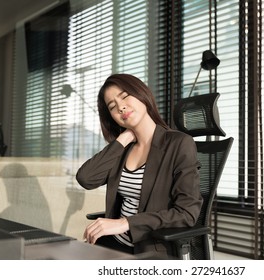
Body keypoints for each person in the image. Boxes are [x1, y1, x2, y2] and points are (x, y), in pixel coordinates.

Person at [76, 73, 203, 257]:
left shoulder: (178, 143)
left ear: (142, 93)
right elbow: (86, 178)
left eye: (125, 96)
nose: (121, 107)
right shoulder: (123, 149)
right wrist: (123, 139)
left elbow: (186, 213)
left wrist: (125, 222)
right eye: (112, 106)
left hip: (149, 248)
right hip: (113, 243)